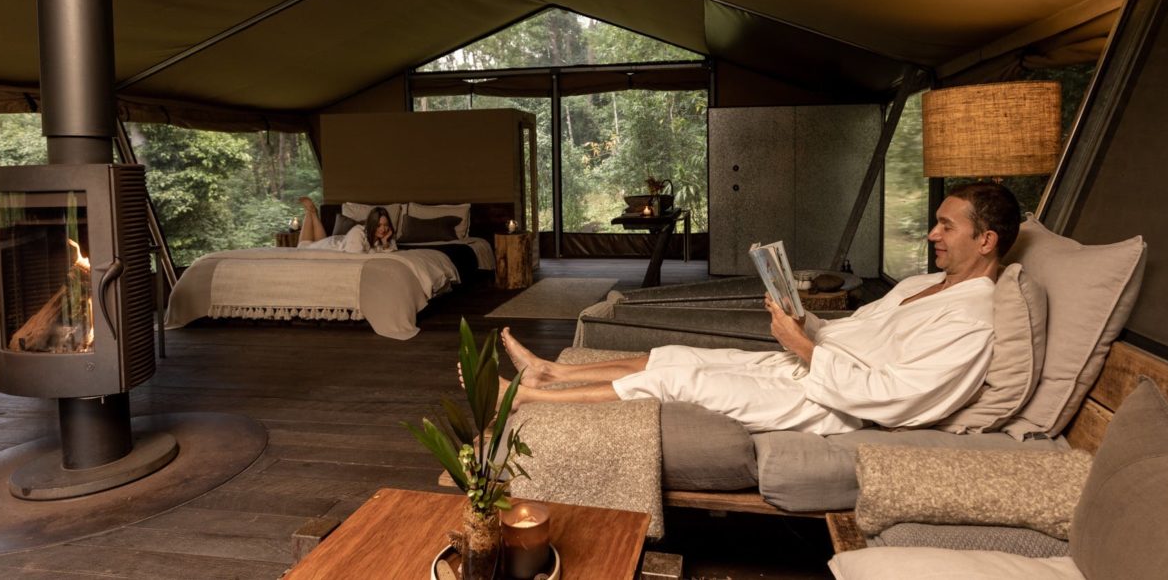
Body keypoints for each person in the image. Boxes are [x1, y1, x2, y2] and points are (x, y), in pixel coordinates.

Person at [497, 182, 1021, 435]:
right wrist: (804, 321)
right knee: (674, 354)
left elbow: (898, 398)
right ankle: (551, 371)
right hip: (808, 366)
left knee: (679, 380)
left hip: (831, 404)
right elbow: (856, 332)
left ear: (986, 240)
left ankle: (526, 399)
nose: (932, 234)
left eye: (946, 226)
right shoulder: (922, 285)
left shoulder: (971, 324)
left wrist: (804, 348)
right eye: (936, 222)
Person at [296, 197, 397, 253]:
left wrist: (385, 242)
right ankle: (310, 212)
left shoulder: (386, 238)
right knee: (302, 247)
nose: (383, 229)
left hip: (338, 241)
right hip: (331, 246)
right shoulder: (358, 232)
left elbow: (390, 253)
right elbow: (356, 257)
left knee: (317, 242)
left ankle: (313, 213)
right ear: (371, 224)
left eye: (386, 225)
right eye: (378, 225)